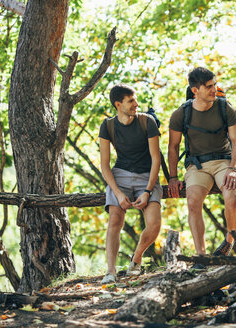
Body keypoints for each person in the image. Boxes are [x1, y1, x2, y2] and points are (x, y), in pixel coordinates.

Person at [168, 67, 236, 258]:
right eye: (209, 86)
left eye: (215, 84)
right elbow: (173, 147)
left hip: (224, 161)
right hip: (197, 165)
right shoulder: (181, 114)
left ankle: (229, 241)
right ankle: (201, 256)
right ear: (195, 90)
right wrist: (173, 177)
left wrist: (234, 168)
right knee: (193, 202)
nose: (214, 89)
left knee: (232, 199)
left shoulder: (225, 108)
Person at [98, 84, 162, 284]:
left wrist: (148, 190)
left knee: (154, 225)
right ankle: (111, 271)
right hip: (120, 175)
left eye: (135, 100)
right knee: (115, 220)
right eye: (131, 101)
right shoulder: (107, 126)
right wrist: (117, 193)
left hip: (147, 176)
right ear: (118, 104)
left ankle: (136, 259)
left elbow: (156, 159)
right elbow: (105, 165)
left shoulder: (147, 122)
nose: (136, 104)